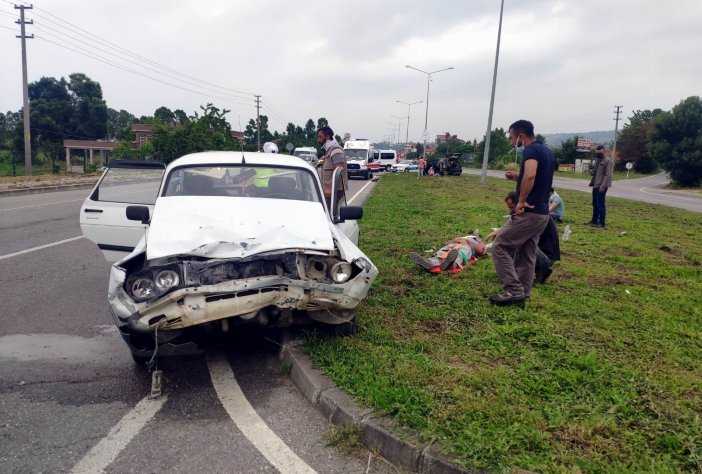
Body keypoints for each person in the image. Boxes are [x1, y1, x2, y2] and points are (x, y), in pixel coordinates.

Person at [490, 120, 556, 305]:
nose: (512, 142)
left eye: (512, 137)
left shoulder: (531, 151)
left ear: (520, 136)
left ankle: (513, 290)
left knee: (500, 246)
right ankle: (523, 295)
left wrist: (520, 201)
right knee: (527, 254)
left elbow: (531, 175)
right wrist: (517, 177)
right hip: (542, 214)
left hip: (528, 212)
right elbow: (540, 177)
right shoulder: (546, 151)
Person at [488, 191, 560, 284]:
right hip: (541, 252)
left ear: (519, 203)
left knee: (518, 243)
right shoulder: (530, 212)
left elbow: (514, 236)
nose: (510, 210)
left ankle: (542, 268)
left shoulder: (530, 216)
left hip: (547, 257)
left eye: (511, 207)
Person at [411, 235, 487, 274]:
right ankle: (430, 263)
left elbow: (480, 252)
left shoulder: (479, 243)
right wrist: (454, 240)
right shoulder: (463, 237)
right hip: (454, 245)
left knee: (460, 253)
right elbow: (446, 243)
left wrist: (468, 242)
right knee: (443, 251)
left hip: (468, 248)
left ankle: (451, 264)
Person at [316, 126, 348, 209]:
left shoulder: (336, 151)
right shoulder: (329, 151)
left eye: (320, 137)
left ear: (327, 137)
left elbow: (339, 171)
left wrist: (330, 188)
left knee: (332, 217)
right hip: (329, 192)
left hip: (335, 192)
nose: (318, 140)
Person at [587, 145, 613, 228]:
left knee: (600, 204)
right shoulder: (597, 160)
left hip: (602, 186)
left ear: (604, 151)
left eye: (600, 151)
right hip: (595, 184)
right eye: (597, 152)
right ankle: (594, 221)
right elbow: (596, 172)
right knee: (595, 203)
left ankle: (602, 222)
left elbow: (608, 174)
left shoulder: (608, 161)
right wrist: (591, 172)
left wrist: (603, 185)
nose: (598, 153)